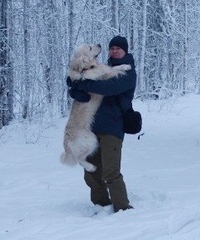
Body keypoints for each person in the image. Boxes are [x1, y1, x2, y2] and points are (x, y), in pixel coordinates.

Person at [67, 36, 137, 212]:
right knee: (92, 173)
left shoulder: (127, 72)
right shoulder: (99, 67)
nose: (114, 51)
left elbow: (108, 87)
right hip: (91, 127)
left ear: (125, 51)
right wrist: (73, 82)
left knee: (111, 171)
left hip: (112, 128)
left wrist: (81, 83)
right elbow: (81, 86)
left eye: (118, 48)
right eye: (112, 48)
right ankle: (101, 205)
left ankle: (123, 208)